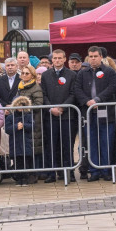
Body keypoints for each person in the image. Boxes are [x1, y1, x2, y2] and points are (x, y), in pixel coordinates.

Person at [75, 46, 116, 181]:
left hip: (106, 113)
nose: (93, 59)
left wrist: (98, 100)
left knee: (106, 143)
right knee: (91, 143)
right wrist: (87, 101)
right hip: (88, 114)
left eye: (95, 56)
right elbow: (77, 89)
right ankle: (94, 171)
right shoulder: (82, 73)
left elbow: (112, 87)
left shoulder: (109, 71)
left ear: (101, 57)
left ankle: (106, 171)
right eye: (91, 56)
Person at [40, 48, 78, 183]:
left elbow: (73, 93)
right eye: (55, 58)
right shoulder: (45, 75)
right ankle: (52, 173)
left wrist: (62, 107)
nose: (57, 60)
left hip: (67, 116)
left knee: (67, 145)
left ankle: (69, 173)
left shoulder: (71, 74)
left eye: (59, 58)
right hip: (50, 117)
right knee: (51, 145)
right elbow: (43, 94)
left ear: (64, 59)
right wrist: (51, 108)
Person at [16, 64, 45, 179]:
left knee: (34, 147)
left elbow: (38, 104)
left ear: (32, 75)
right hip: (22, 120)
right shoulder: (20, 86)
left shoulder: (36, 87)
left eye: (27, 73)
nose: (24, 75)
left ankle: (34, 173)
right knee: (26, 147)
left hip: (34, 120)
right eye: (22, 73)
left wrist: (24, 107)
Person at [6, 95, 35, 185]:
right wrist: (16, 127)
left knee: (26, 161)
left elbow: (32, 126)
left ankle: (25, 178)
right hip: (15, 143)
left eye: (22, 105)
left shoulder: (28, 116)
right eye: (18, 105)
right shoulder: (10, 117)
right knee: (17, 161)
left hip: (26, 143)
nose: (20, 107)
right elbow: (7, 129)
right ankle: (18, 179)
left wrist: (23, 125)